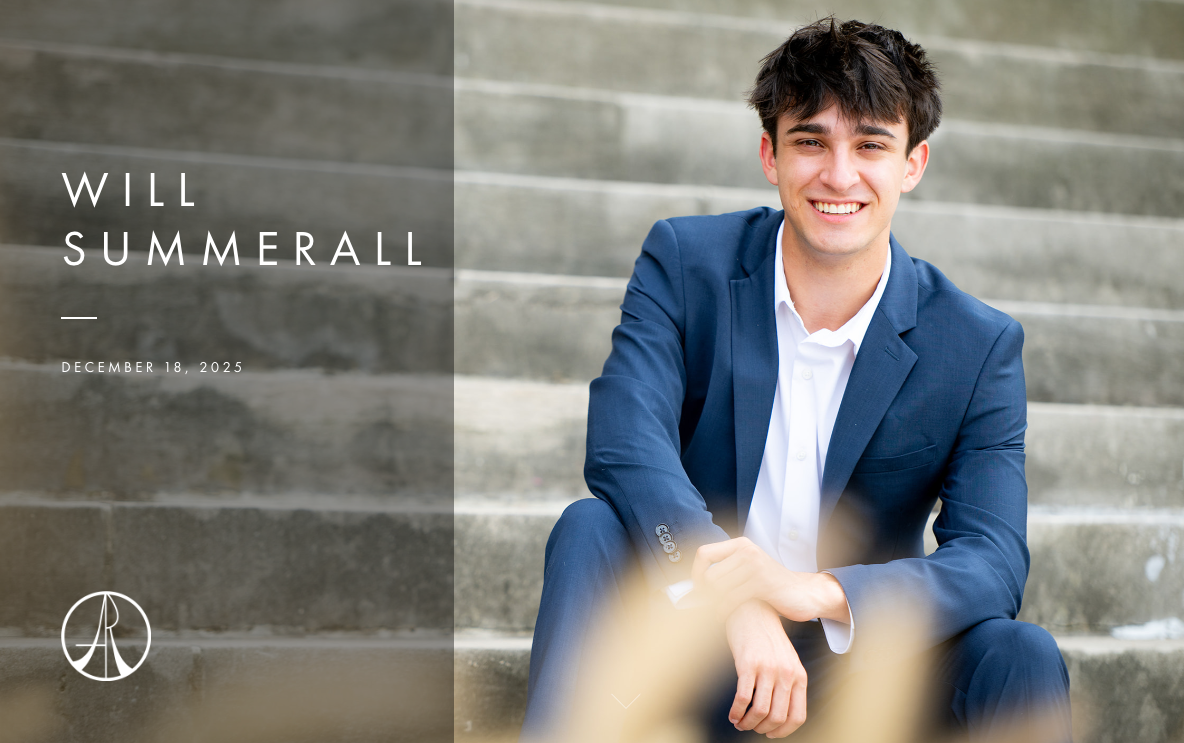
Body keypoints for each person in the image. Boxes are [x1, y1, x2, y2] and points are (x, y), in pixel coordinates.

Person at [522, 17, 1071, 741]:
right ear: (769, 155)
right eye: (811, 140)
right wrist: (739, 601)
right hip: (686, 649)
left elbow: (993, 559)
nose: (839, 174)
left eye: (871, 143)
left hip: (859, 678)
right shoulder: (687, 263)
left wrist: (814, 592)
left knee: (1019, 652)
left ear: (913, 163)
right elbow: (625, 440)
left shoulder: (975, 343)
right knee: (588, 527)